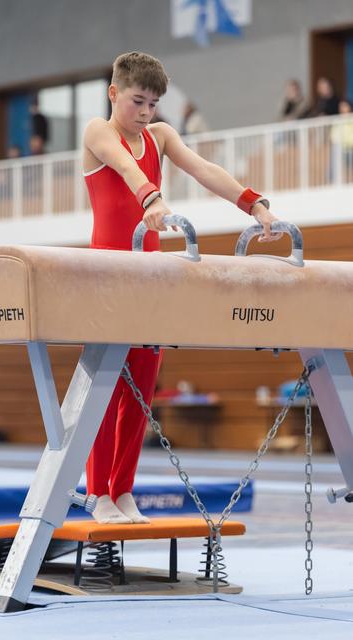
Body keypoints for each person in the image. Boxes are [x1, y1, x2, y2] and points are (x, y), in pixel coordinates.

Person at [82, 51, 281, 525]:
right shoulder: (98, 131)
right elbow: (126, 170)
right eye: (137, 102)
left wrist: (254, 205)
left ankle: (122, 489)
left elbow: (204, 169)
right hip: (107, 276)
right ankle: (97, 493)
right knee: (107, 389)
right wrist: (151, 196)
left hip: (149, 278)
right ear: (114, 94)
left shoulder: (161, 136)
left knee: (142, 387)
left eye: (153, 104)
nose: (146, 113)